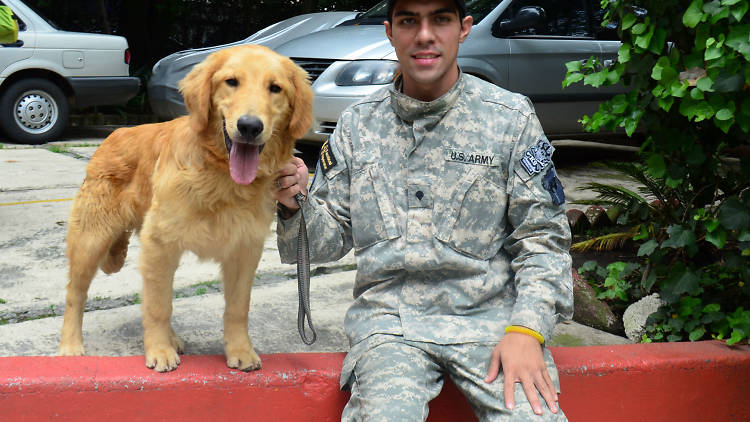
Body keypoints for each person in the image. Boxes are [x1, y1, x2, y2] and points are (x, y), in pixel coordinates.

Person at [274, 0, 573, 419]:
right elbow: (329, 240)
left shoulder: (509, 119)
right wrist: (295, 203)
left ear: (464, 28)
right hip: (390, 329)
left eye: (441, 19)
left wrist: (527, 329)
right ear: (390, 32)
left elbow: (544, 240)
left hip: (489, 322)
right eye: (409, 20)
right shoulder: (358, 125)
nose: (425, 34)